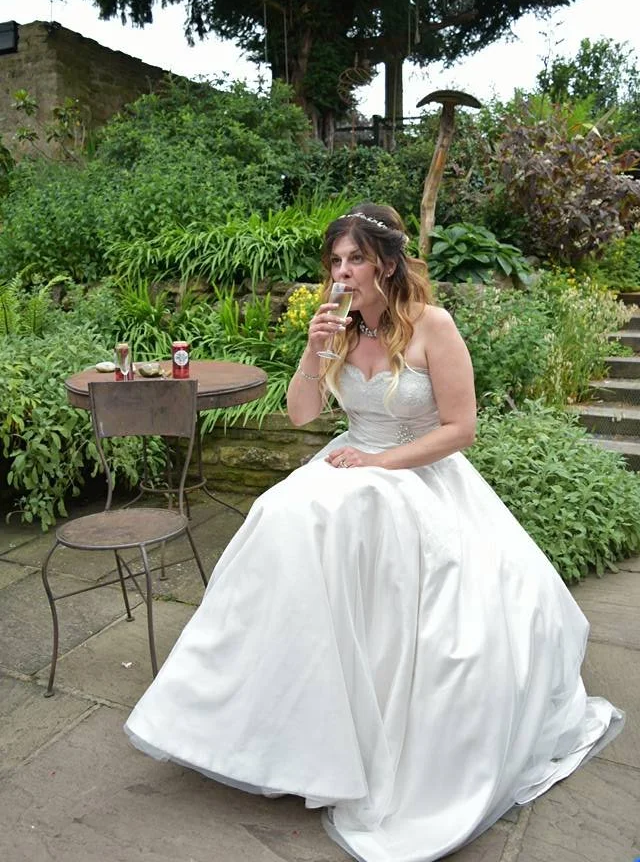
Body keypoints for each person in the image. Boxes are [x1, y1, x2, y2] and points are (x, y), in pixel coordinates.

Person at [125, 202, 623, 862]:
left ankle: (373, 726)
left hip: (414, 471)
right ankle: (275, 719)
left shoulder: (431, 327)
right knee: (282, 516)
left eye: (354, 258)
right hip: (346, 463)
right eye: (334, 260)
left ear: (384, 263)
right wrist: (312, 349)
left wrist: (380, 464)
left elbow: (461, 430)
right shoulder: (339, 328)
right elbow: (304, 414)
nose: (342, 270)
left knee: (357, 537)